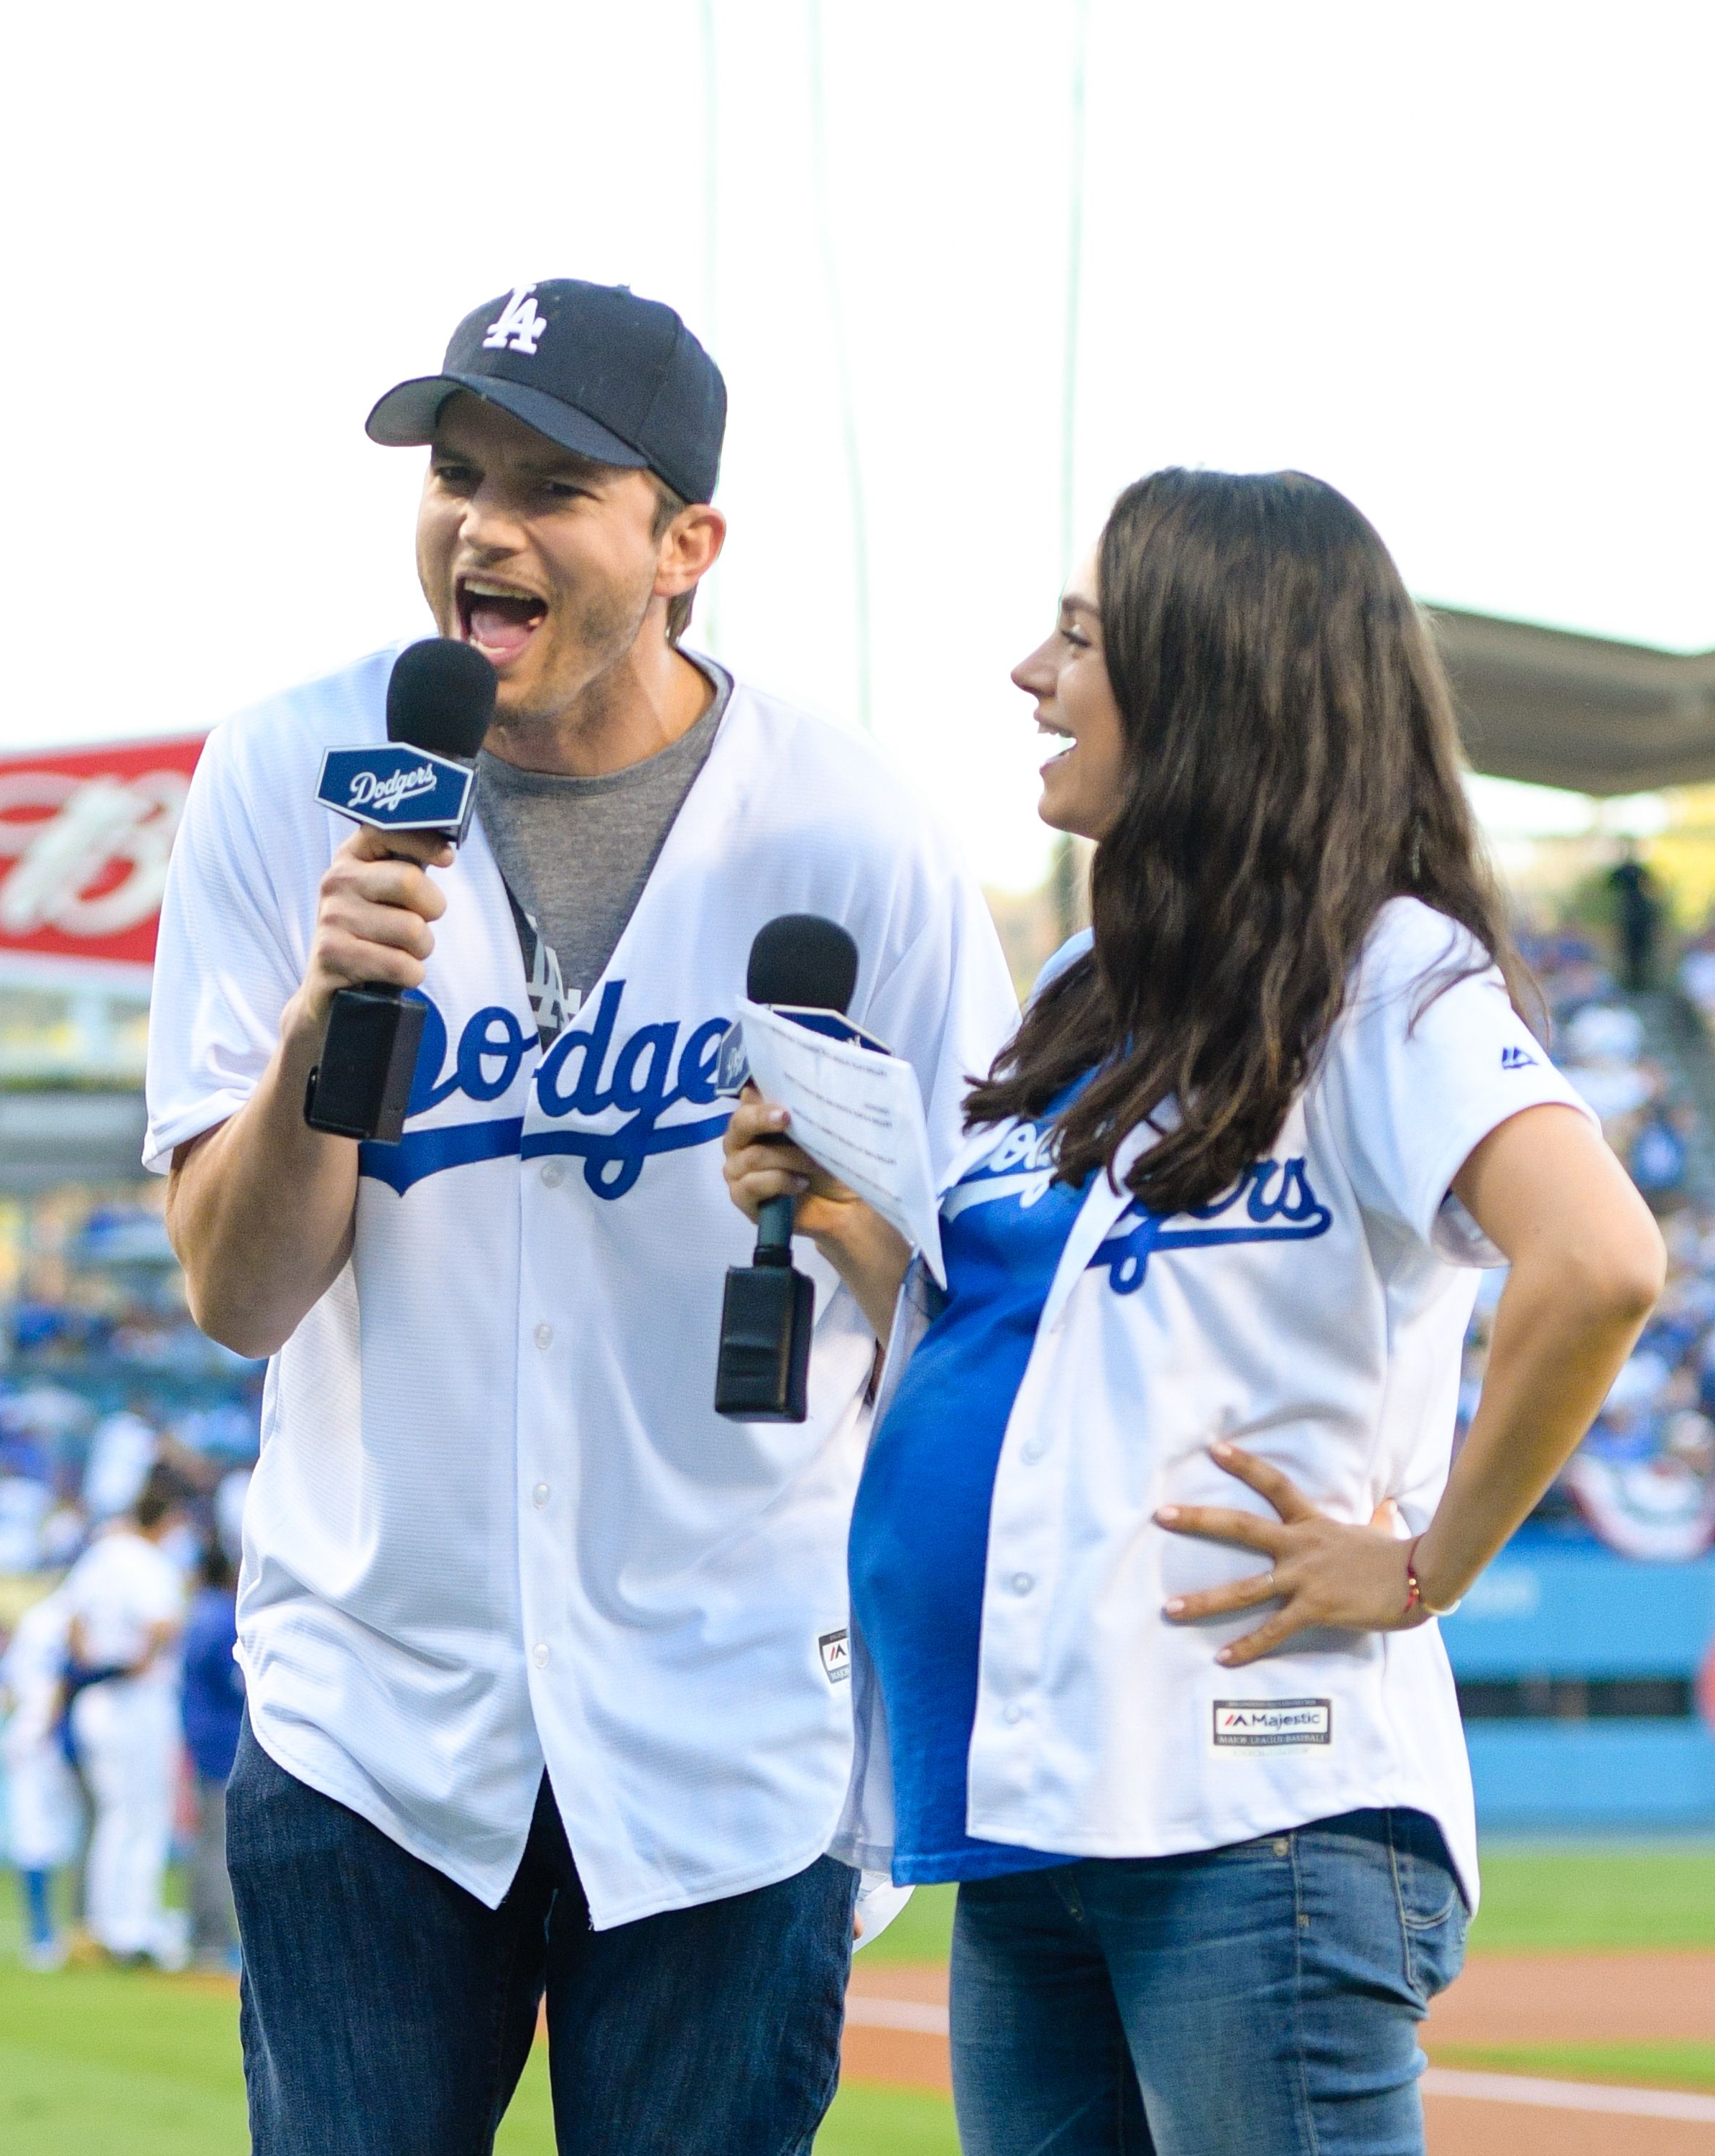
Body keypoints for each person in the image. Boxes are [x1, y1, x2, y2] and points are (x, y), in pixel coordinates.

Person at [147, 276, 1016, 2155]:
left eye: (554, 485)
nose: (485, 524)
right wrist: (327, 1017)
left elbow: (983, 1293)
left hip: (731, 1722)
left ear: (687, 543)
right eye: (458, 472)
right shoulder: (288, 780)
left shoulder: (855, 835)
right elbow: (239, 1294)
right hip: (373, 1717)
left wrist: (846, 1205)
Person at [724, 469, 1666, 2156]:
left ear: (1208, 678)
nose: (1028, 673)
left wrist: (1420, 1561)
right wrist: (855, 1226)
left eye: (1077, 636)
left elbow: (1594, 1259)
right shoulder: (1095, 1003)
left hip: (1255, 1806)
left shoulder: (1386, 972)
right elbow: (1031, 1351)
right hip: (1026, 1815)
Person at [62, 1467, 191, 1968]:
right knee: (144, 1817)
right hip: (137, 1700)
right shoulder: (149, 1562)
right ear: (168, 1518)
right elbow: (164, 1623)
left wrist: (92, 1662)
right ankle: (134, 1930)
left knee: (115, 1816)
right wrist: (139, 1660)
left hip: (97, 1696)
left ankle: (105, 1924)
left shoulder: (102, 1552)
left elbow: (73, 1620)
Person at [0, 1590, 83, 1968]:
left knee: (40, 1835)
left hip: (26, 1733)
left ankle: (48, 1933)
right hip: (48, 1736)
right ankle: (52, 1934)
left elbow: (8, 1687)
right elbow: (57, 1681)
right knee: (53, 1834)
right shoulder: (65, 1617)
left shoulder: (36, 1617)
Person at [181, 1535, 243, 1970]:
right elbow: (238, 1683)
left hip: (203, 1738)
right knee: (218, 1845)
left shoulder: (198, 1614)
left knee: (206, 1842)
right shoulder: (221, 1619)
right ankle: (211, 1936)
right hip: (223, 1743)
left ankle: (202, 1931)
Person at [1609, 843, 1661, 992]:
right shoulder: (1626, 872)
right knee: (1631, 952)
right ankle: (1632, 983)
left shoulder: (1639, 871)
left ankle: (1641, 983)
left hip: (1638, 917)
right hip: (1631, 917)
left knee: (1640, 952)